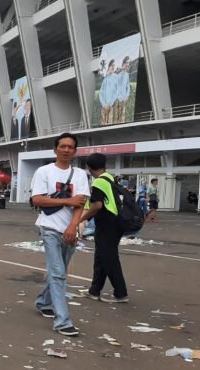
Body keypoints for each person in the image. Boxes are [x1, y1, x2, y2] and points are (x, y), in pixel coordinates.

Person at [30, 133, 89, 337]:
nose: (66, 149)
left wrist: (73, 227)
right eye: (62, 146)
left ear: (75, 151)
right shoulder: (43, 171)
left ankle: (43, 302)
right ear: (55, 149)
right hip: (49, 228)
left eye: (70, 147)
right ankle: (62, 321)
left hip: (70, 230)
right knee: (57, 272)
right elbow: (37, 199)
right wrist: (66, 201)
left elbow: (80, 203)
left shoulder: (80, 174)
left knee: (60, 271)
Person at [80, 153, 129, 303]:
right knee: (101, 257)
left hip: (108, 223)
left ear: (89, 168)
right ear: (105, 165)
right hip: (116, 222)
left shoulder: (99, 182)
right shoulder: (110, 178)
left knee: (109, 258)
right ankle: (94, 291)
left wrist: (82, 219)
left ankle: (121, 293)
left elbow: (97, 205)